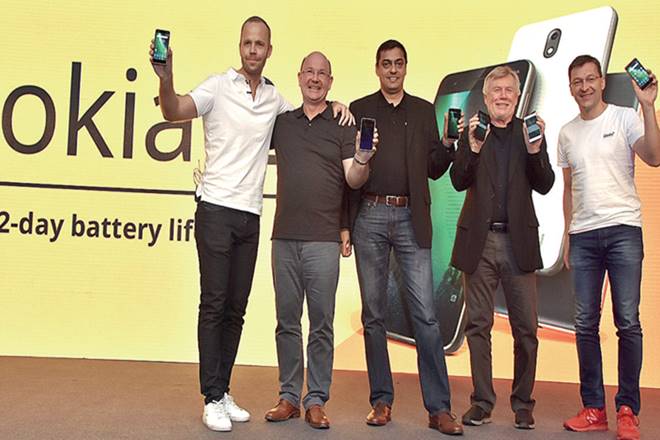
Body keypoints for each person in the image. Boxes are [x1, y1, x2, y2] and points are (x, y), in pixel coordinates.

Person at [149, 17, 352, 432]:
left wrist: (337, 106)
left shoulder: (276, 101)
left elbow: (309, 112)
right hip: (215, 209)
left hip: (250, 215)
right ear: (240, 46)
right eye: (248, 43)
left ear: (269, 50)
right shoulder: (217, 87)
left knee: (236, 310)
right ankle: (211, 397)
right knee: (214, 303)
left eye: (260, 44)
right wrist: (165, 78)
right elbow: (172, 111)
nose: (254, 50)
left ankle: (222, 389)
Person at [348, 39, 463, 435]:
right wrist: (345, 225)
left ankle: (439, 408)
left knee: (426, 316)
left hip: (412, 217)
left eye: (398, 63)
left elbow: (434, 169)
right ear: (376, 68)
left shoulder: (423, 110)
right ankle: (381, 401)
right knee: (374, 315)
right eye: (386, 64)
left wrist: (447, 144)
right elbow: (350, 172)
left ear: (406, 67)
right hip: (369, 216)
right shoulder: (360, 109)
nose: (393, 70)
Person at [263, 51, 375, 430]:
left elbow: (354, 179)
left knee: (322, 324)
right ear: (299, 77)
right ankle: (288, 396)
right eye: (309, 72)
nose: (314, 79)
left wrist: (363, 158)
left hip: (324, 240)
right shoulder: (283, 123)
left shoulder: (343, 124)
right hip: (284, 238)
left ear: (330, 81)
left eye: (321, 74)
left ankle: (316, 400)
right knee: (286, 322)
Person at [450, 65, 554, 430]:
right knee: (478, 325)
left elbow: (545, 184)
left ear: (518, 96)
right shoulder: (472, 133)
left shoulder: (529, 132)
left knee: (526, 328)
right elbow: (458, 179)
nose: (503, 96)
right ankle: (482, 402)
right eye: (497, 90)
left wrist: (536, 151)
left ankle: (523, 403)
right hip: (478, 243)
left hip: (518, 242)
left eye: (509, 90)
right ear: (486, 97)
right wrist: (473, 148)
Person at [560, 55, 659, 440]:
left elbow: (654, 157)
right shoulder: (567, 133)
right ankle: (594, 409)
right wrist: (567, 235)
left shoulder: (625, 117)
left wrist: (648, 106)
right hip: (583, 236)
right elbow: (569, 189)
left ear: (601, 82)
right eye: (577, 82)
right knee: (584, 323)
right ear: (571, 88)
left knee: (628, 321)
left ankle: (628, 410)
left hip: (623, 230)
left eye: (590, 79)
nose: (584, 87)